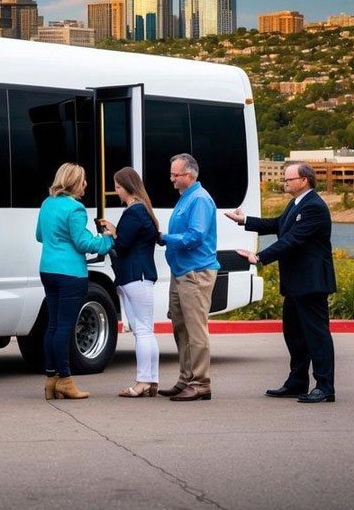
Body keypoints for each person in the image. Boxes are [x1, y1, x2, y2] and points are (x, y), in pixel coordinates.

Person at [228, 162, 337, 403]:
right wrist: (245, 220)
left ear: (304, 181)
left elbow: (293, 239)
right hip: (296, 282)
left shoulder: (315, 207)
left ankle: (325, 386)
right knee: (294, 333)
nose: (284, 183)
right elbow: (278, 224)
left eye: (288, 179)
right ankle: (298, 381)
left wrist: (259, 257)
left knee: (316, 335)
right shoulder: (297, 203)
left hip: (312, 282)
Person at [35, 163, 115, 400]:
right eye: (83, 180)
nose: (86, 185)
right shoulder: (76, 209)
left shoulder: (47, 203)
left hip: (47, 269)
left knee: (52, 326)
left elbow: (39, 235)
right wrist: (107, 239)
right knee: (65, 328)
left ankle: (51, 379)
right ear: (73, 183)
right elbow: (83, 244)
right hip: (71, 273)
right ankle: (66, 380)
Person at [158, 153, 220, 402]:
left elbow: (195, 235)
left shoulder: (200, 200)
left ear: (190, 175)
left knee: (195, 330)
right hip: (181, 271)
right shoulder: (186, 198)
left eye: (176, 174)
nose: (172, 178)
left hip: (196, 272)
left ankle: (201, 383)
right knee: (180, 327)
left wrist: (164, 238)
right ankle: (186, 379)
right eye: (172, 173)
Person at [111, 167, 160, 398]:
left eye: (118, 187)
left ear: (128, 187)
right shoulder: (144, 210)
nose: (116, 191)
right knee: (146, 329)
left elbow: (121, 245)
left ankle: (142, 381)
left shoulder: (134, 212)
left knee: (142, 331)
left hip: (134, 275)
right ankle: (151, 380)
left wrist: (112, 232)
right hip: (141, 276)